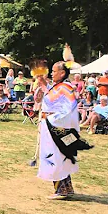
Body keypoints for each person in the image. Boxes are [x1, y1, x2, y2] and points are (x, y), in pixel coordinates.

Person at [37, 50, 93, 200]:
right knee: (60, 156)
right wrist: (43, 85)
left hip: (57, 128)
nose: (51, 74)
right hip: (52, 127)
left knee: (56, 156)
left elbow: (68, 109)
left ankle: (61, 190)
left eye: (54, 71)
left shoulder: (65, 88)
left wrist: (51, 119)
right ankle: (67, 188)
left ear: (62, 73)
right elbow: (51, 99)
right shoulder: (57, 87)